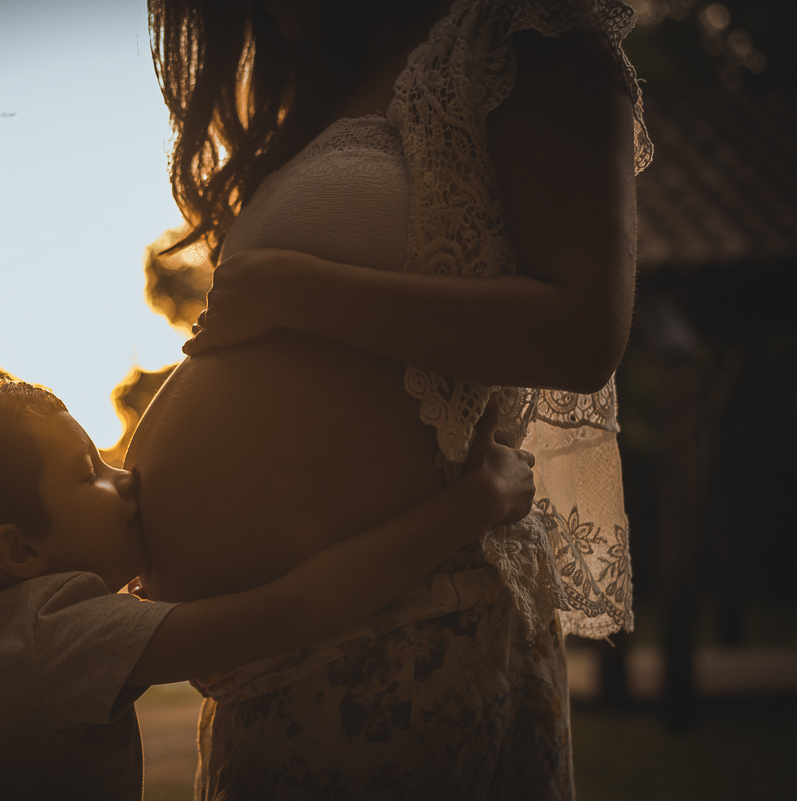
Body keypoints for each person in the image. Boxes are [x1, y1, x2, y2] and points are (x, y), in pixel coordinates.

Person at [125, 0, 651, 796]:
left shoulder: (520, 35)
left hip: (415, 643)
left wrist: (295, 289)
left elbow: (583, 331)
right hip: (287, 670)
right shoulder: (345, 80)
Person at [0, 379, 535, 800]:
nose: (127, 478)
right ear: (20, 549)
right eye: (88, 469)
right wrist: (476, 502)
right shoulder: (55, 636)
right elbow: (298, 608)